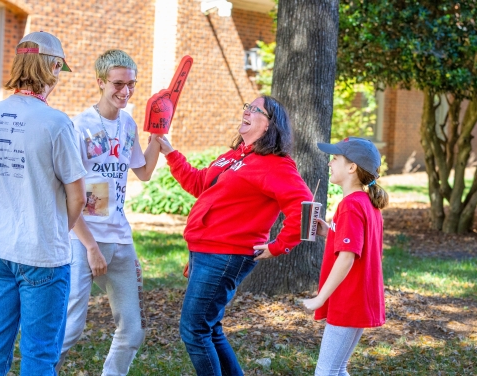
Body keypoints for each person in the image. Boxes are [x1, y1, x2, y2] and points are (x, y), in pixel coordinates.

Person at [155, 95, 313, 376]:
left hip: (226, 255)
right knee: (209, 328)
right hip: (206, 251)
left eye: (256, 109)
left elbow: (305, 209)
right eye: (247, 107)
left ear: (269, 125)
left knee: (194, 329)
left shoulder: (276, 164)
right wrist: (170, 152)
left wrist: (279, 246)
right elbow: (199, 183)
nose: (247, 111)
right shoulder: (235, 155)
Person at [0, 31, 87, 375]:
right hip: (41, 256)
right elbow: (77, 196)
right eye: (59, 70)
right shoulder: (56, 122)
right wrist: (55, 231)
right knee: (39, 355)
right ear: (52, 66)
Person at [56, 49, 161, 376]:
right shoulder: (79, 126)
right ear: (100, 82)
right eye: (118, 84)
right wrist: (90, 248)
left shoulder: (128, 123)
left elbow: (142, 172)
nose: (125, 91)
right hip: (82, 240)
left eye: (131, 84)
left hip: (120, 239)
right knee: (70, 326)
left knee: (134, 328)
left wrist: (158, 134)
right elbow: (66, 194)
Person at [303, 137, 389, 376]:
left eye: (335, 159)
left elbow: (347, 257)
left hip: (348, 299)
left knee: (326, 372)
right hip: (360, 298)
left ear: (352, 167)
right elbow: (358, 244)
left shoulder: (350, 205)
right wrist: (328, 231)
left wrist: (321, 298)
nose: (330, 163)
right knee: (338, 369)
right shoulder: (367, 203)